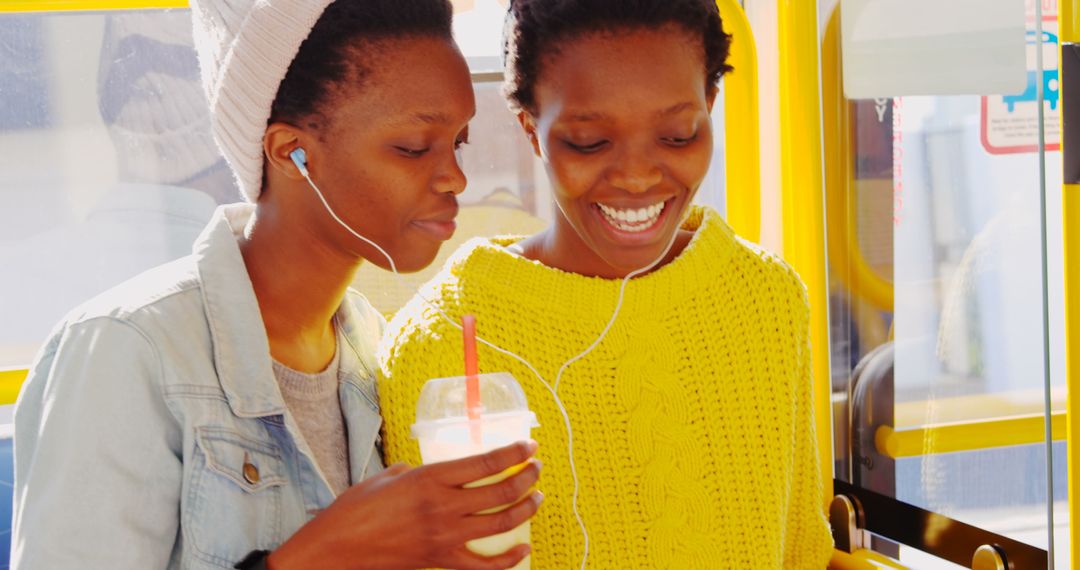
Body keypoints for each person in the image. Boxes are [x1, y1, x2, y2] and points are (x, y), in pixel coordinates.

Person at [12, 1, 541, 569]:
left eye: (458, 142)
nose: (455, 177)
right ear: (292, 152)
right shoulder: (126, 350)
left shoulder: (374, 351)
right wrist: (319, 557)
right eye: (414, 147)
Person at [378, 0, 834, 568]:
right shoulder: (436, 345)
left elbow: (801, 548)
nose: (638, 176)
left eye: (677, 135)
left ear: (710, 108)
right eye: (589, 143)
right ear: (532, 130)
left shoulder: (767, 300)